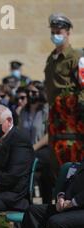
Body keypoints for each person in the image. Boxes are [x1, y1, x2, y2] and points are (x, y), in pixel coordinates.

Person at [45, 13, 84, 168]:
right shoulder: (51, 58)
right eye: (53, 32)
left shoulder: (76, 57)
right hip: (55, 115)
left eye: (58, 32)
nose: (55, 36)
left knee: (72, 155)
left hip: (71, 116)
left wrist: (78, 108)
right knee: (55, 156)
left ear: (67, 33)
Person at [18, 81, 53, 203]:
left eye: (34, 92)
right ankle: (25, 202)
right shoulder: (23, 111)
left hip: (42, 149)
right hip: (26, 150)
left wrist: (34, 147)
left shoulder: (46, 110)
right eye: (28, 92)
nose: (30, 94)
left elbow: (49, 134)